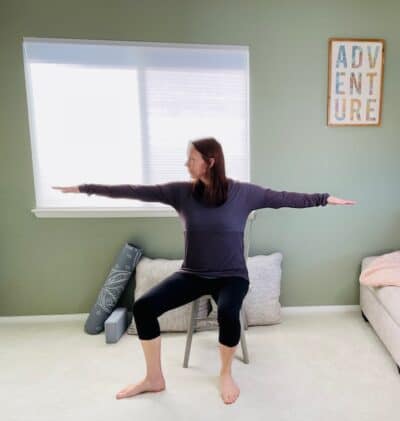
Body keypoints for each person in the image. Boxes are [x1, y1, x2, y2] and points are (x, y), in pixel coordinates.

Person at [52, 137, 356, 405]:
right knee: (144, 307)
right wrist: (85, 188)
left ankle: (225, 374)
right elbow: (135, 191)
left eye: (192, 158)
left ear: (210, 162)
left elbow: (284, 198)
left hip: (232, 276)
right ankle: (154, 379)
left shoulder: (244, 193)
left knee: (227, 312)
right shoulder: (180, 193)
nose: (186, 163)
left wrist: (323, 199)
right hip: (193, 274)